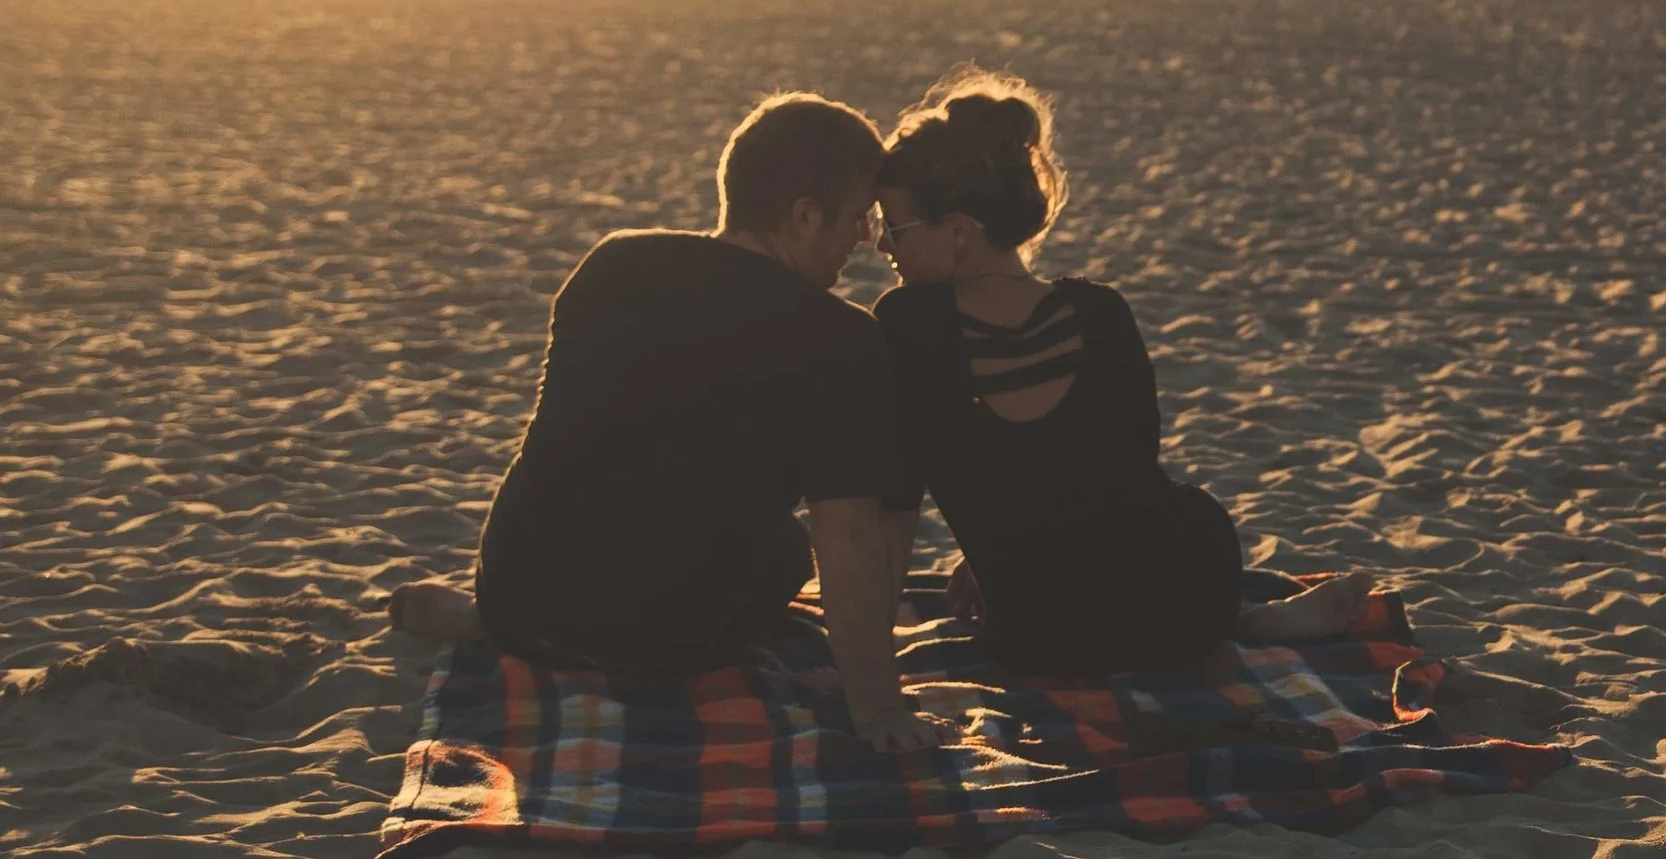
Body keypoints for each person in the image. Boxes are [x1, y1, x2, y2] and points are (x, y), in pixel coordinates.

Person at [391, 92, 940, 752]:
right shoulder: (840, 338)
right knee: (788, 552)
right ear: (803, 215)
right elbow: (846, 537)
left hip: (515, 594)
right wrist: (877, 710)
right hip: (658, 638)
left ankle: (483, 624)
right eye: (856, 219)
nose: (865, 240)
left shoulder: (613, 263)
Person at [873, 68, 1372, 677]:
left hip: (1035, 633)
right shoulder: (1098, 311)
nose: (881, 248)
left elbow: (896, 506)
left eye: (892, 228)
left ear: (956, 231)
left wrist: (879, 650)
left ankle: (1245, 625)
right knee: (1184, 512)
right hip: (1177, 606)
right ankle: (1242, 623)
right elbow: (1117, 477)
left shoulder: (907, 326)